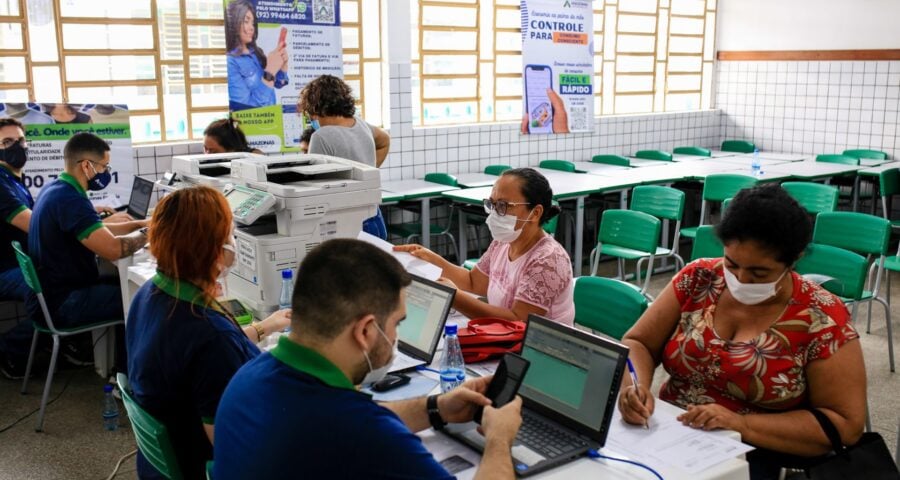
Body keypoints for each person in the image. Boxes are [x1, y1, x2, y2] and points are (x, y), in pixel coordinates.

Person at [214, 239, 523, 480]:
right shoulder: (361, 434)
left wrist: (435, 407)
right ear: (364, 330)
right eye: (397, 324)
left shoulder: (249, 375)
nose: (397, 338)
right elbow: (360, 426)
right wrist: (499, 440)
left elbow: (361, 416)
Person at [618, 184, 866, 480]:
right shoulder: (699, 279)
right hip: (670, 432)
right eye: (731, 264)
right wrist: (635, 386)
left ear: (794, 259)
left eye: (759, 273)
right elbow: (640, 342)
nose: (741, 279)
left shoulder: (821, 318)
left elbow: (844, 424)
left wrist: (741, 424)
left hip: (758, 452)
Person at [126, 185, 290, 479]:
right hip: (202, 464)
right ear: (211, 248)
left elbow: (191, 357)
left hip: (162, 460)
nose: (234, 242)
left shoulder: (153, 292)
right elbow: (233, 445)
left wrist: (264, 327)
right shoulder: (211, 337)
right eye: (230, 235)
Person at [395, 168, 575, 325]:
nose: (495, 214)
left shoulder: (548, 260)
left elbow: (519, 322)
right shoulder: (503, 243)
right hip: (505, 341)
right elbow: (474, 282)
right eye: (492, 204)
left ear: (535, 213)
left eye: (503, 206)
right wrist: (431, 260)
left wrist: (455, 297)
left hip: (540, 352)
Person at [27, 132, 148, 351]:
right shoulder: (70, 200)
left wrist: (138, 225)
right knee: (141, 298)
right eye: (104, 167)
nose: (106, 173)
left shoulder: (55, 190)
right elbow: (113, 249)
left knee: (124, 287)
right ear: (86, 166)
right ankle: (124, 374)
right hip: (65, 302)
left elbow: (95, 230)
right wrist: (152, 233)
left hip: (50, 297)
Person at [298, 75, 391, 238]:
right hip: (374, 217)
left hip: (346, 222)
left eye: (311, 114)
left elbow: (313, 187)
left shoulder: (321, 136)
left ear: (318, 107)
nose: (312, 119)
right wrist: (369, 171)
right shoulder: (361, 124)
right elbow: (385, 140)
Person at [0, 118, 36, 378]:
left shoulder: (13, 179)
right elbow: (33, 224)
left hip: (17, 263)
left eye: (21, 141)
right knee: (53, 289)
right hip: (5, 270)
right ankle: (8, 349)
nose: (17, 147)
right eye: (7, 142)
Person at [225, 0, 288, 109]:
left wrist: (282, 66)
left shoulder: (257, 53)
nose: (251, 28)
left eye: (253, 23)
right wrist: (269, 72)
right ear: (234, 23)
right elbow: (245, 108)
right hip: (253, 124)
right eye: (246, 21)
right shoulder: (231, 62)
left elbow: (279, 83)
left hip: (273, 119)